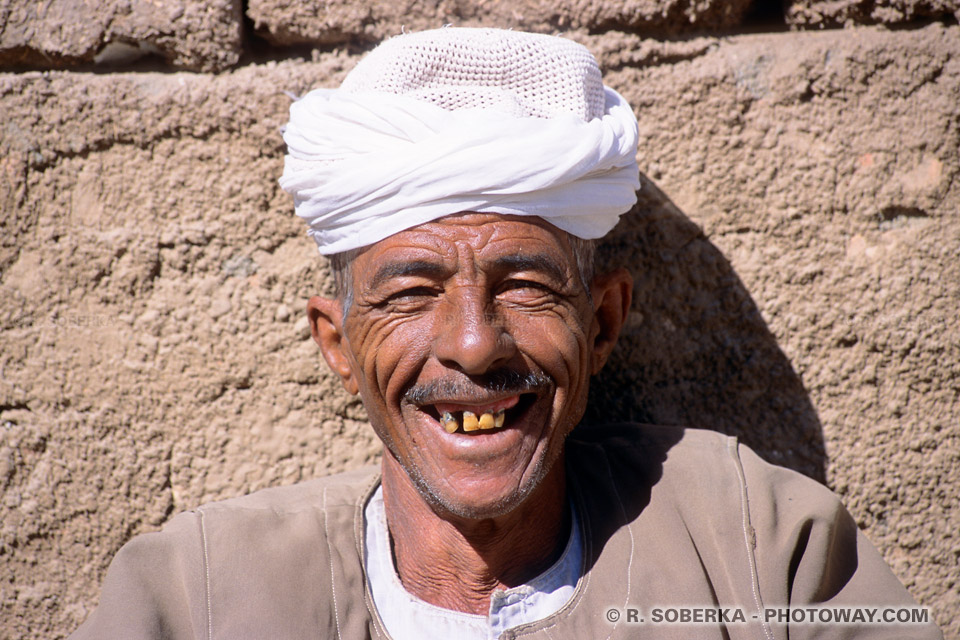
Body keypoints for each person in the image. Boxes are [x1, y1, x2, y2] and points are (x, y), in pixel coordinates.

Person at [71, 27, 942, 640]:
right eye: (411, 293)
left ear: (600, 324)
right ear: (336, 345)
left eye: (524, 285)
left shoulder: (755, 545)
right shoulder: (198, 598)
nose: (476, 346)